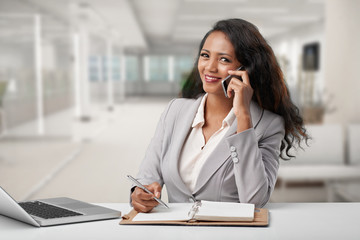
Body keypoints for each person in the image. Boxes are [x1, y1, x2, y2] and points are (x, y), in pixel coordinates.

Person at [131, 18, 308, 213]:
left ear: (246, 70)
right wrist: (140, 193)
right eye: (205, 56)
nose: (210, 67)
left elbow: (255, 200)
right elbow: (146, 178)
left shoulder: (268, 125)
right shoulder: (175, 111)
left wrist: (243, 117)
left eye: (224, 59)